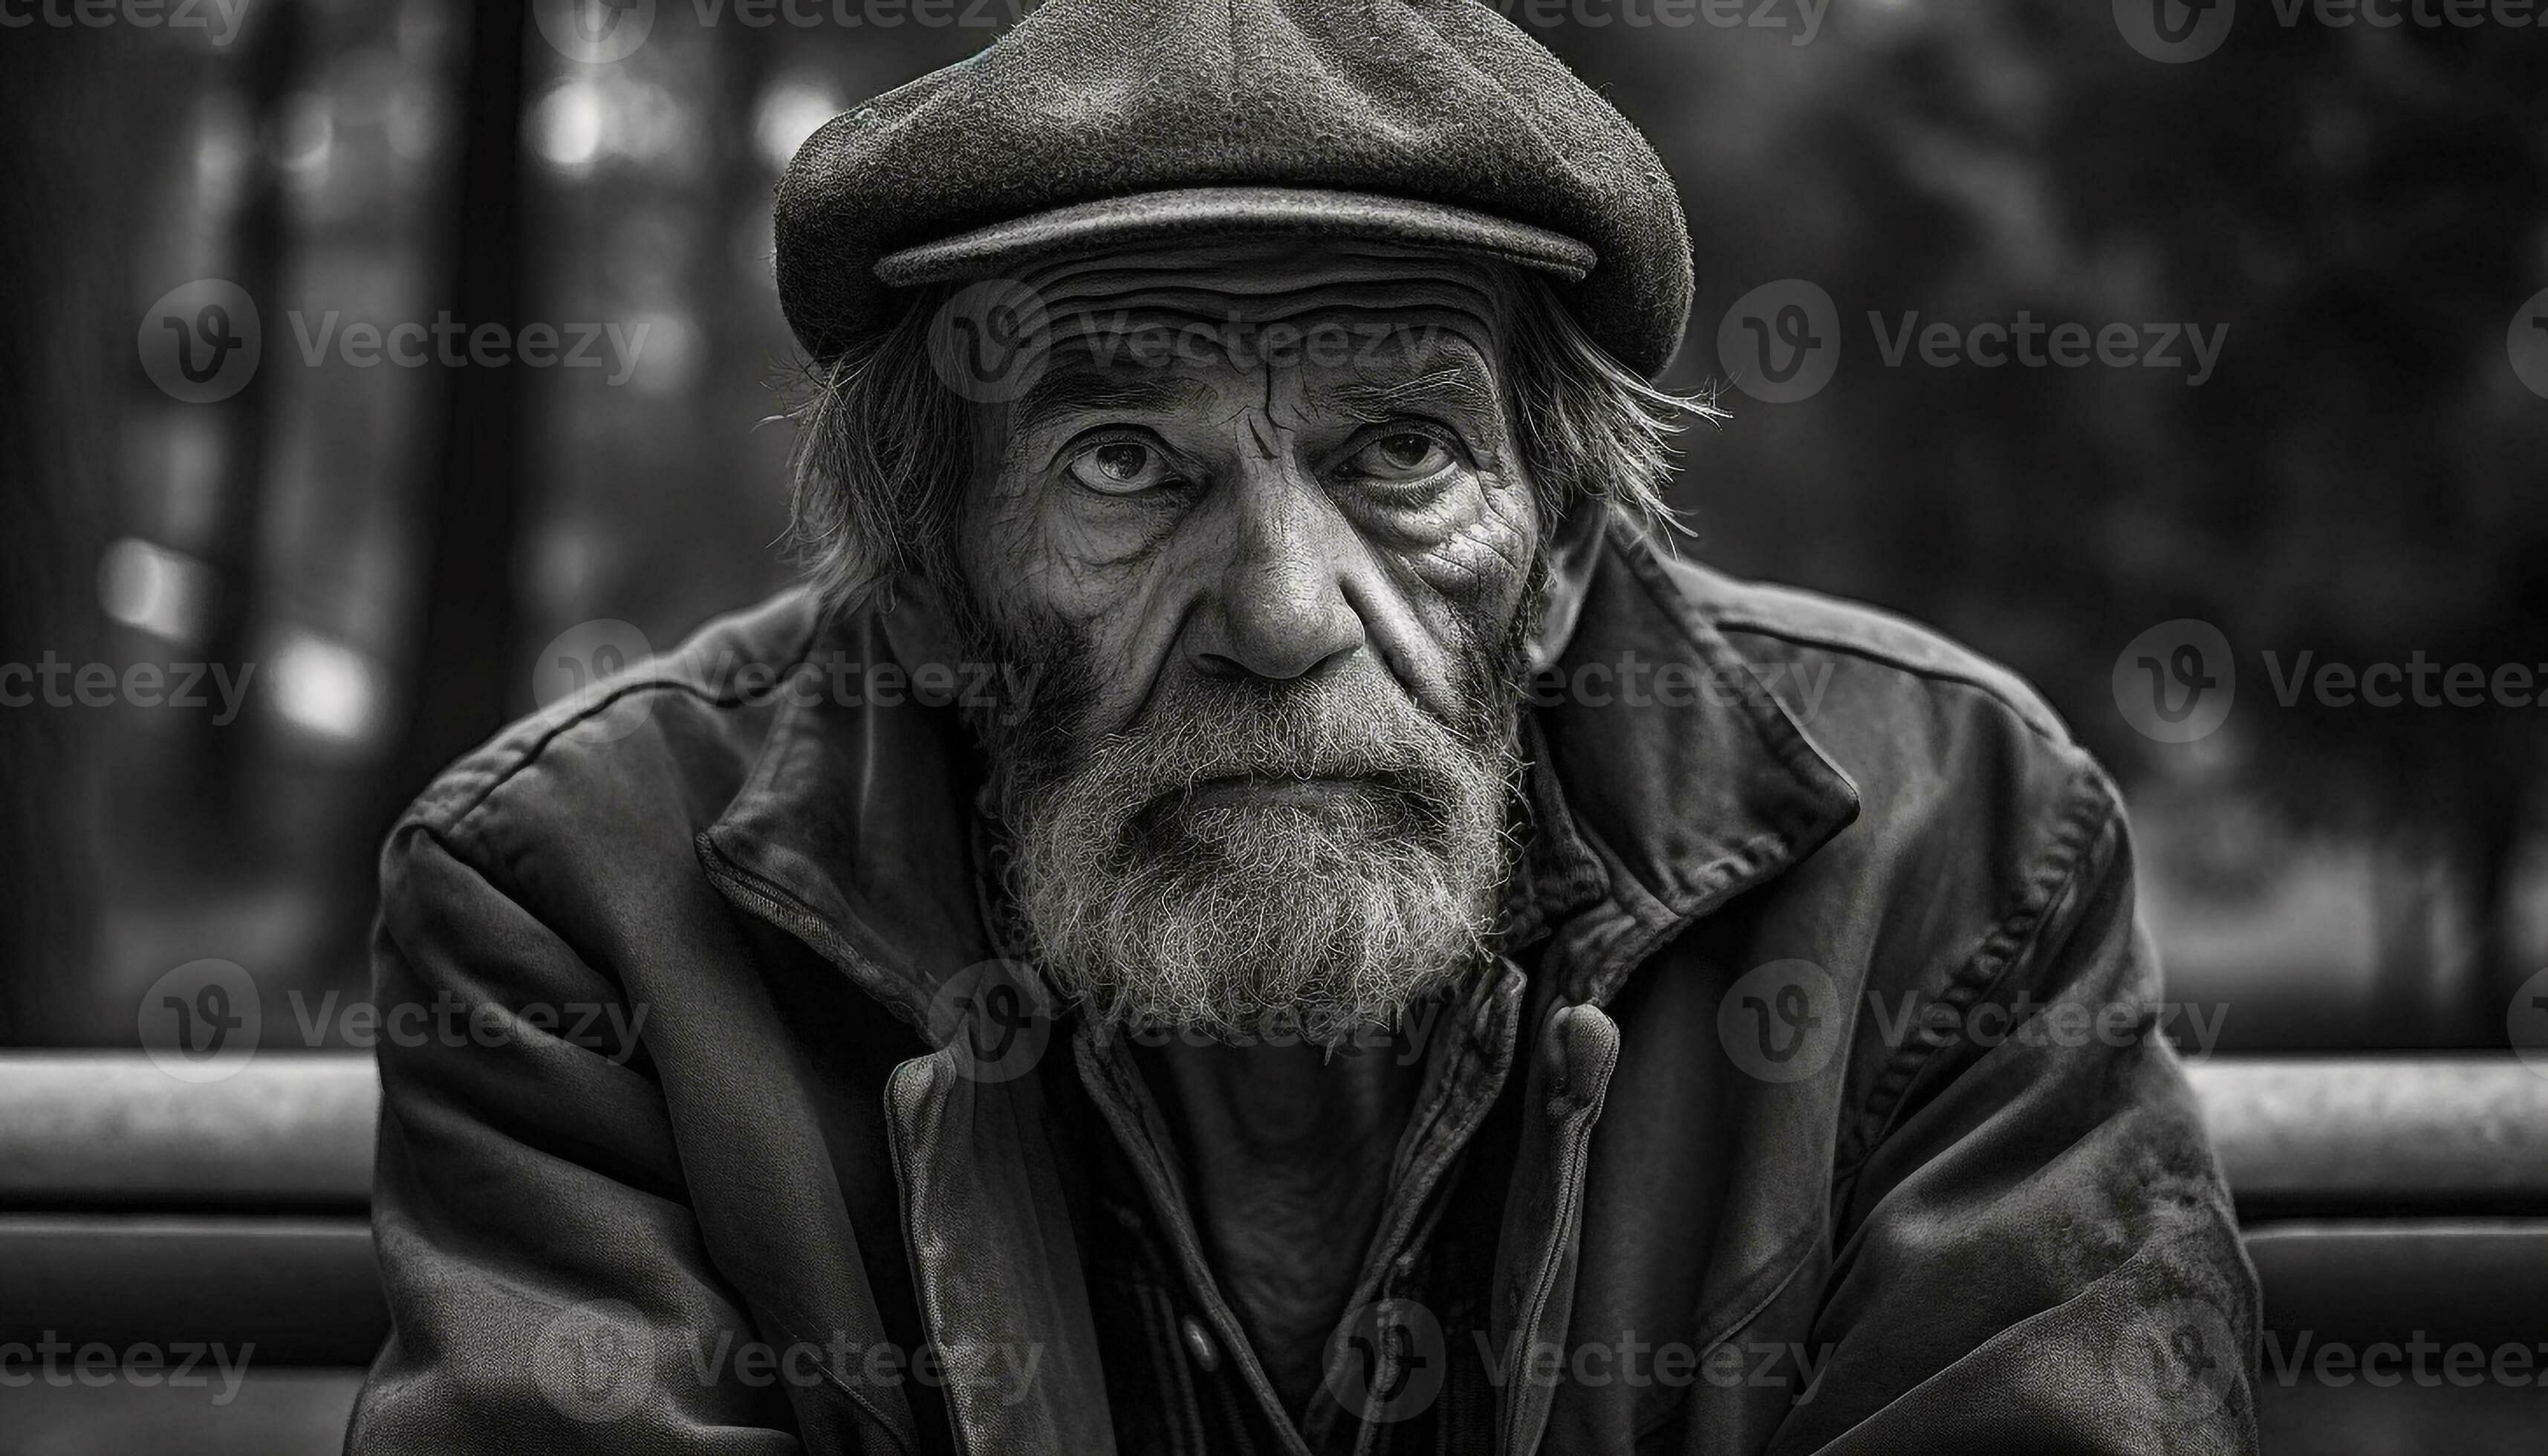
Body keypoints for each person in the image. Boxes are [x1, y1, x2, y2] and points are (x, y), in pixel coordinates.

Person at [348, 0, 2259, 1450]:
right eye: (1122, 459)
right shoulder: (581, 901)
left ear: (1560, 553)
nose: (1280, 615)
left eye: (1399, 448)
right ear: (926, 586)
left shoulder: (1951, 850)